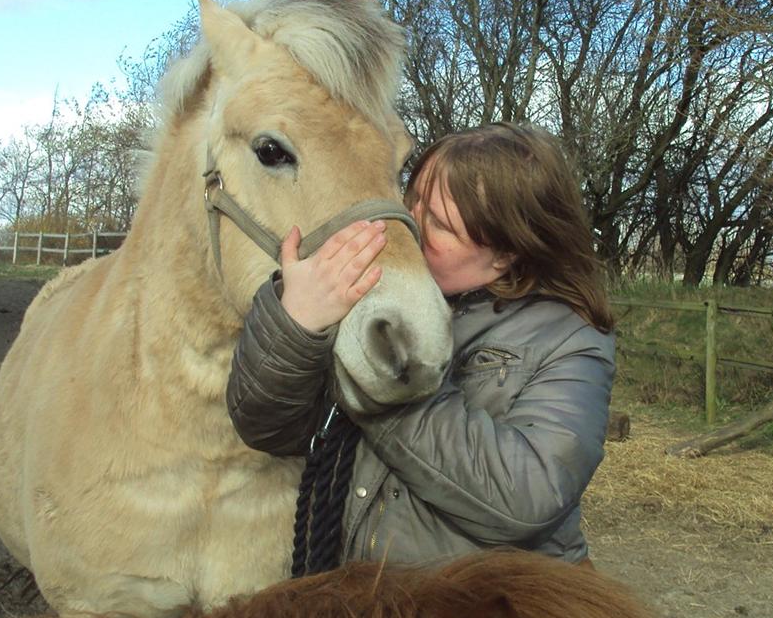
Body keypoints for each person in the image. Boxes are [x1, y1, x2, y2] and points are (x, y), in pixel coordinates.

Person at [226, 121, 615, 575]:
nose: (407, 229)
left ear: (506, 253)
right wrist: (294, 325)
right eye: (410, 203)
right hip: (371, 605)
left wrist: (386, 383)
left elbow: (526, 496)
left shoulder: (571, 339)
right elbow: (269, 429)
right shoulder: (383, 306)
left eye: (440, 224)